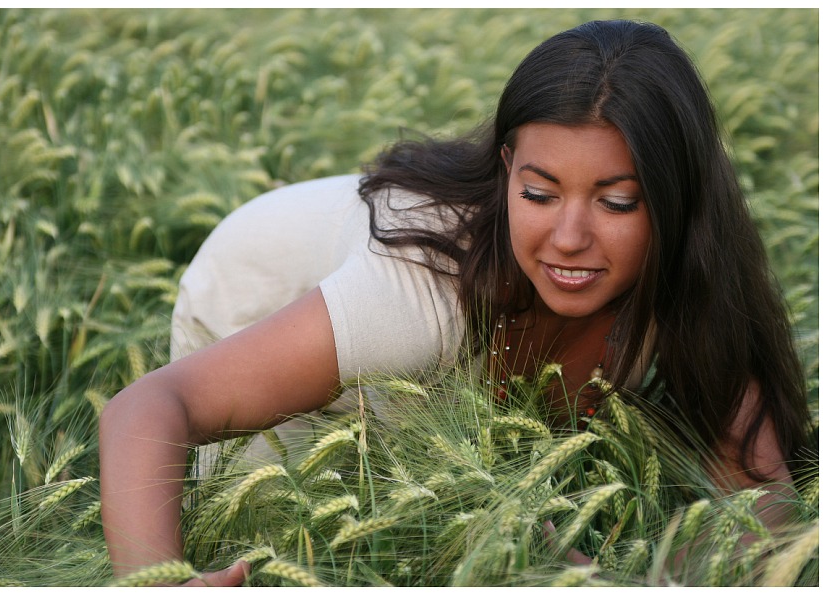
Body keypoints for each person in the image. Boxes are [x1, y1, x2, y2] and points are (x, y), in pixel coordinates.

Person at [99, 19, 812, 586]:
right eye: (538, 193)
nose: (568, 237)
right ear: (506, 171)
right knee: (285, 540)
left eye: (617, 201)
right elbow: (148, 408)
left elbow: (760, 491)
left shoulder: (688, 284)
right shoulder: (416, 296)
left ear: (676, 200)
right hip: (261, 292)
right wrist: (158, 583)